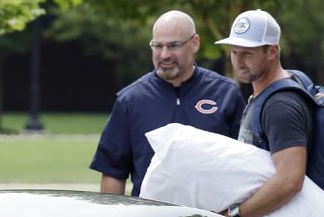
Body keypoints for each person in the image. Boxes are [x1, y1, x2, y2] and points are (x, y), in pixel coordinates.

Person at [91, 10, 245, 197]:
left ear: (195, 43)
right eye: (157, 46)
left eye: (173, 46)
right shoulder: (130, 100)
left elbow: (244, 164)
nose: (164, 55)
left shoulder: (226, 93)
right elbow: (113, 172)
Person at [214, 9, 313, 217]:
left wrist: (235, 216)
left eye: (248, 53)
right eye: (234, 51)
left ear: (272, 52)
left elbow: (289, 180)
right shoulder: (265, 93)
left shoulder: (280, 104)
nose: (239, 61)